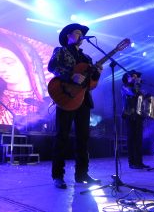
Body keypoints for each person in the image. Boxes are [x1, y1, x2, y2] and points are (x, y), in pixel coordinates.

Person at [48, 23, 102, 189]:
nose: (80, 35)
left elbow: (91, 84)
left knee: (83, 139)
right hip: (66, 96)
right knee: (62, 137)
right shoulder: (61, 50)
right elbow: (52, 67)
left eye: (81, 33)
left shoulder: (87, 58)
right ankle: (58, 175)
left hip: (83, 100)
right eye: (77, 33)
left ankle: (82, 174)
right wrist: (70, 76)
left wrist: (97, 73)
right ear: (68, 36)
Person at [121, 70, 150, 169]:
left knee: (138, 139)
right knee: (132, 139)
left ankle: (139, 162)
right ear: (127, 78)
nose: (135, 78)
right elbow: (133, 93)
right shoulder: (125, 87)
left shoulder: (139, 89)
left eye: (136, 76)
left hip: (138, 116)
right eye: (133, 76)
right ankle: (132, 162)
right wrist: (137, 85)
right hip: (130, 115)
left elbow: (143, 97)